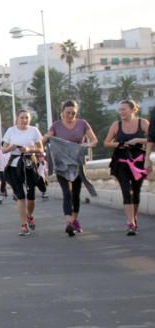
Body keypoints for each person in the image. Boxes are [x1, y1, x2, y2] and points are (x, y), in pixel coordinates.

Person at [41, 100, 98, 236]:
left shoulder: (82, 124)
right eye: (68, 112)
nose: (70, 115)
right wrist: (47, 137)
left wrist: (87, 145)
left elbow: (94, 140)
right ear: (62, 113)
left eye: (73, 113)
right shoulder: (56, 125)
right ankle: (69, 222)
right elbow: (44, 140)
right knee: (66, 193)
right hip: (62, 163)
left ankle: (75, 220)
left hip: (77, 162)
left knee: (76, 194)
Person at [103, 99, 150, 236]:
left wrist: (137, 140)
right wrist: (120, 143)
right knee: (126, 190)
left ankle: (133, 219)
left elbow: (152, 139)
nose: (121, 112)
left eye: (124, 109)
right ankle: (130, 223)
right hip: (121, 160)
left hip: (138, 161)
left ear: (133, 110)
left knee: (136, 191)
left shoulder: (143, 123)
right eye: (120, 110)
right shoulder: (116, 125)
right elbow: (107, 143)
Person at [0, 110, 44, 236]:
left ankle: (29, 215)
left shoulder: (34, 130)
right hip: (14, 165)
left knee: (30, 196)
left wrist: (29, 149)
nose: (24, 120)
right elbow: (3, 149)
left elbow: (41, 148)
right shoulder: (10, 131)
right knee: (20, 195)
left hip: (29, 163)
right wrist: (11, 147)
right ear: (17, 119)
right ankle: (24, 224)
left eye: (27, 118)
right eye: (22, 118)